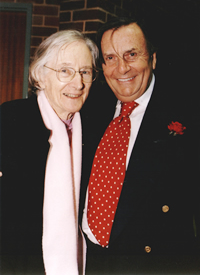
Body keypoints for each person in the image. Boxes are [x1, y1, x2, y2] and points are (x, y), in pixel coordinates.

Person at [79, 17, 200, 274]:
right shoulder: (89, 108)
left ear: (152, 59)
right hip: (84, 257)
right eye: (110, 58)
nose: (121, 68)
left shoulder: (188, 117)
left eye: (131, 54)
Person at [0, 29, 98, 274]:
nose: (78, 83)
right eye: (65, 71)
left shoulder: (93, 128)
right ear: (41, 76)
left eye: (85, 71)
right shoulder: (11, 118)